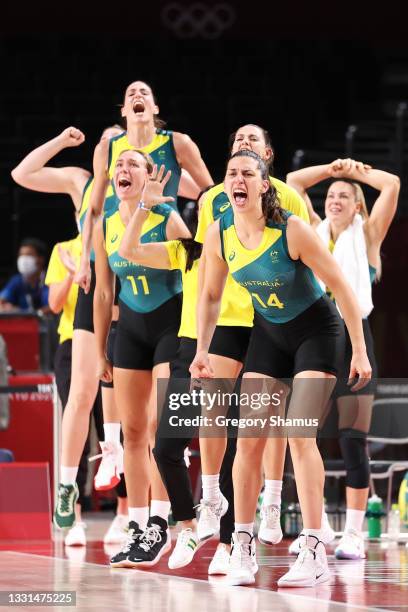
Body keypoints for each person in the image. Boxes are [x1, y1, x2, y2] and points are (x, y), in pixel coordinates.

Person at [190, 150, 372, 587]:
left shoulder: (290, 230)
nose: (238, 179)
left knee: (298, 433)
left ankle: (313, 548)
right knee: (246, 440)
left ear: (263, 185)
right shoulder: (219, 234)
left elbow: (342, 289)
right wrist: (202, 349)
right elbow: (211, 296)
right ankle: (242, 546)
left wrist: (360, 350)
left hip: (317, 334)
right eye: (232, 172)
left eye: (248, 173)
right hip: (270, 336)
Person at [10, 126, 129, 533]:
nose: (113, 145)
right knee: (80, 394)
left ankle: (133, 510)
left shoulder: (145, 176)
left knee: (129, 406)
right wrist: (60, 141)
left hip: (133, 287)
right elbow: (22, 175)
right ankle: (66, 487)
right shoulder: (82, 181)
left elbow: (203, 192)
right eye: (106, 140)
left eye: (122, 139)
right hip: (93, 288)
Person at [286, 158, 400, 559]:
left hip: (355, 339)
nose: (334, 200)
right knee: (305, 434)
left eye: (343, 197)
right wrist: (331, 171)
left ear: (356, 207)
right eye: (331, 196)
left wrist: (352, 173)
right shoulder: (311, 230)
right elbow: (294, 181)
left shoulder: (367, 234)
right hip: (314, 335)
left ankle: (354, 532)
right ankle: (320, 528)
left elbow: (392, 184)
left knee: (353, 438)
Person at [94, 149, 190, 568]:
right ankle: (137, 527)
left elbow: (195, 262)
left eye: (133, 164)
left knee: (156, 427)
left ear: (151, 175)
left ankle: (160, 522)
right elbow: (102, 292)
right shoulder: (105, 222)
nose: (123, 170)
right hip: (130, 329)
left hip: (170, 326)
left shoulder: (166, 217)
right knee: (131, 433)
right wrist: (100, 349)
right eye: (119, 165)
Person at [76, 79, 213, 293]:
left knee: (171, 313)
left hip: (164, 240)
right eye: (131, 93)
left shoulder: (179, 143)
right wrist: (84, 258)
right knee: (102, 315)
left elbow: (210, 193)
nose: (137, 95)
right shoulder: (105, 149)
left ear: (155, 108)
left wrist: (207, 240)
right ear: (123, 111)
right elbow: (93, 210)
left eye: (144, 92)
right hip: (116, 244)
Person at [0, 238, 49, 313]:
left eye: (28, 255)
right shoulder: (17, 280)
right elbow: (1, 301)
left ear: (41, 259)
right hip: (22, 323)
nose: (23, 259)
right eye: (21, 255)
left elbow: (54, 308)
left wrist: (30, 313)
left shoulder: (50, 280)